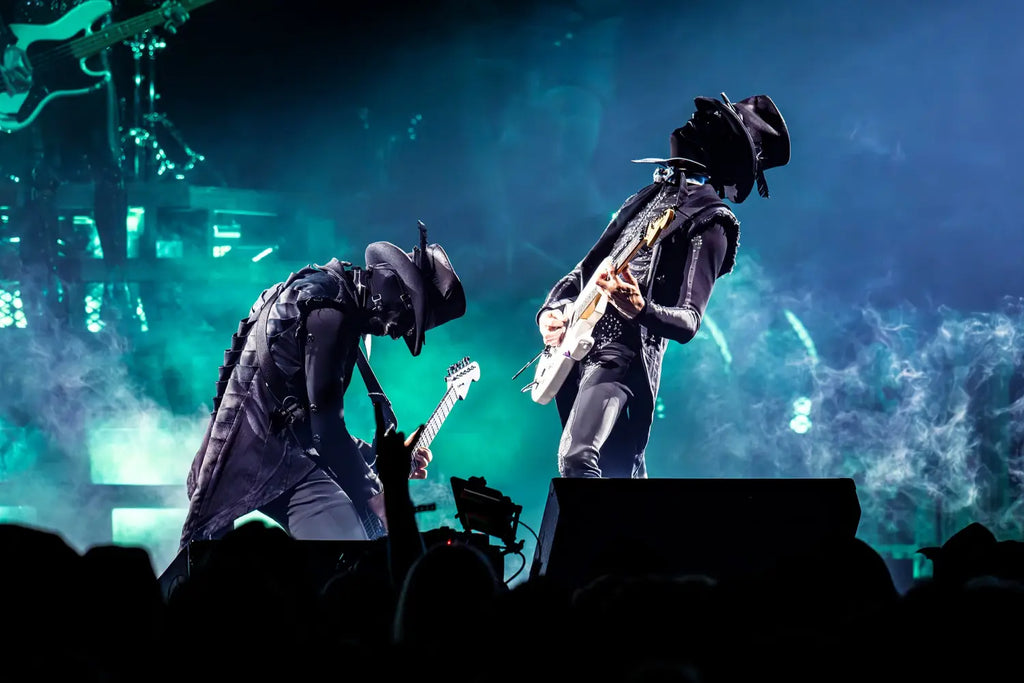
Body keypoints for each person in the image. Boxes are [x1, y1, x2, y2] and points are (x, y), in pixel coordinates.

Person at [535, 92, 791, 478]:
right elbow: (582, 273)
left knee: (577, 459)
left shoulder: (712, 220)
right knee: (619, 473)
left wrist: (640, 308)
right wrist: (552, 311)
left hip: (622, 356)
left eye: (710, 121)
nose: (694, 118)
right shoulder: (648, 197)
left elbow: (689, 321)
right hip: (577, 347)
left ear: (723, 145)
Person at [178, 227, 467, 548]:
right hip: (270, 463)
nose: (397, 332)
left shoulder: (323, 293)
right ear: (392, 290)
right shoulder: (329, 312)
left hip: (268, 456)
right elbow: (324, 429)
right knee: (352, 550)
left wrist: (379, 457)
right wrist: (375, 495)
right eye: (407, 320)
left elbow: (301, 419)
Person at [0, 0, 189, 327]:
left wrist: (158, 10)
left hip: (90, 65)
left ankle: (117, 287)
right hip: (27, 56)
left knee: (110, 172)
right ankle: (44, 289)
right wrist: (5, 45)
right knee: (39, 176)